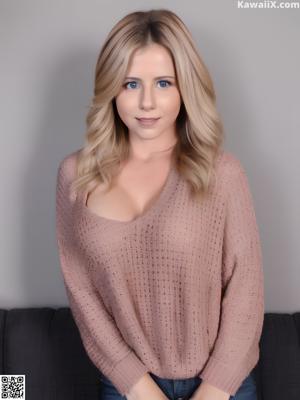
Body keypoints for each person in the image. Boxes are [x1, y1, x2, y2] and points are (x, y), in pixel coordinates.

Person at [55, 8, 264, 400]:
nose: (147, 102)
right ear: (111, 88)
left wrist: (215, 390)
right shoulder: (75, 175)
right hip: (126, 389)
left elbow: (245, 292)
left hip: (223, 389)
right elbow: (81, 291)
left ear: (186, 87)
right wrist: (137, 387)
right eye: (131, 83)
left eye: (164, 82)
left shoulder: (222, 173)